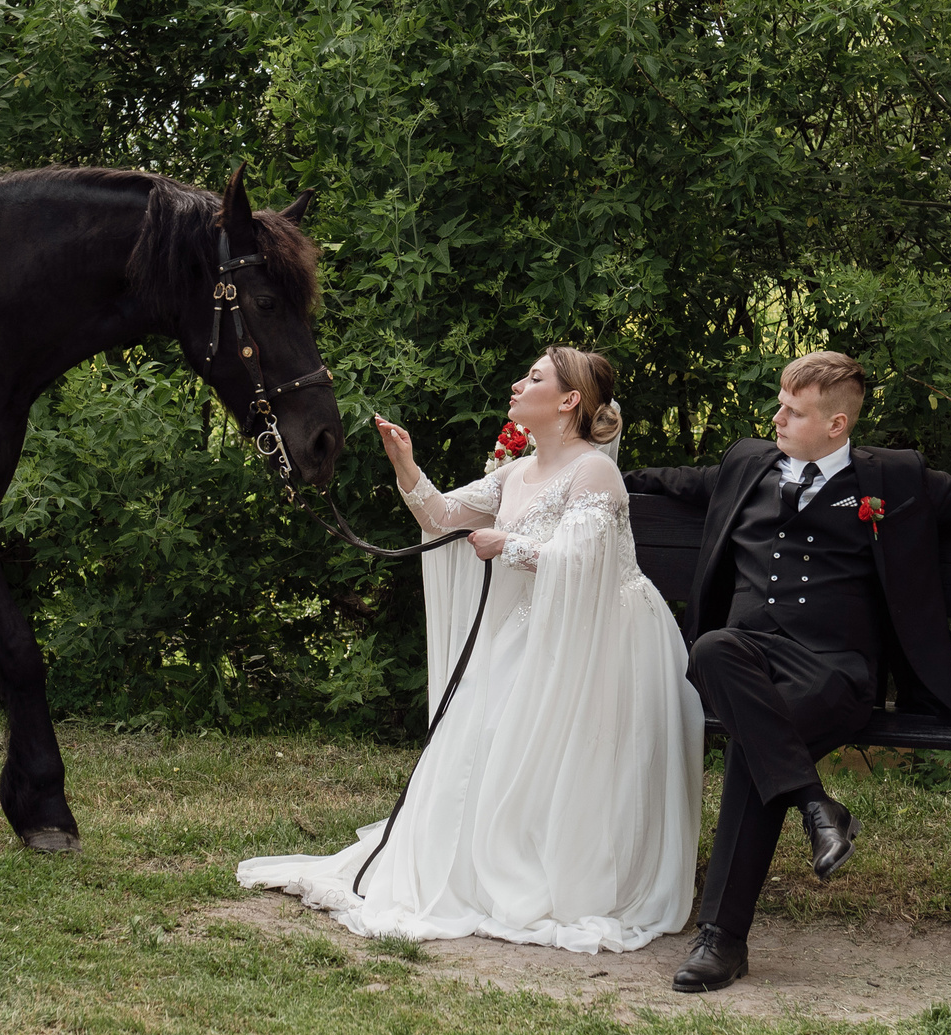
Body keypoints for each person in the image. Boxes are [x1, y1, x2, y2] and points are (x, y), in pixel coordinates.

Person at [624, 351, 951, 992]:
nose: (777, 419)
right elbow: (664, 481)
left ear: (836, 424)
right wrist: (589, 473)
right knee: (710, 648)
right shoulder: (746, 465)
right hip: (747, 661)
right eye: (780, 405)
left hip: (834, 673)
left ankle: (723, 940)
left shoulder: (892, 480)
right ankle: (815, 809)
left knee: (756, 746)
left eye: (793, 412)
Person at [238, 347, 704, 953]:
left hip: (602, 636)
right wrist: (406, 465)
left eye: (534, 377)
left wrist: (508, 546)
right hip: (536, 625)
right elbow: (441, 515)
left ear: (569, 400)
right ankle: (476, 861)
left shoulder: (594, 472)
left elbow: (583, 564)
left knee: (531, 734)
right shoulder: (516, 472)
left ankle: (556, 865)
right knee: (480, 724)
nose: (518, 383)